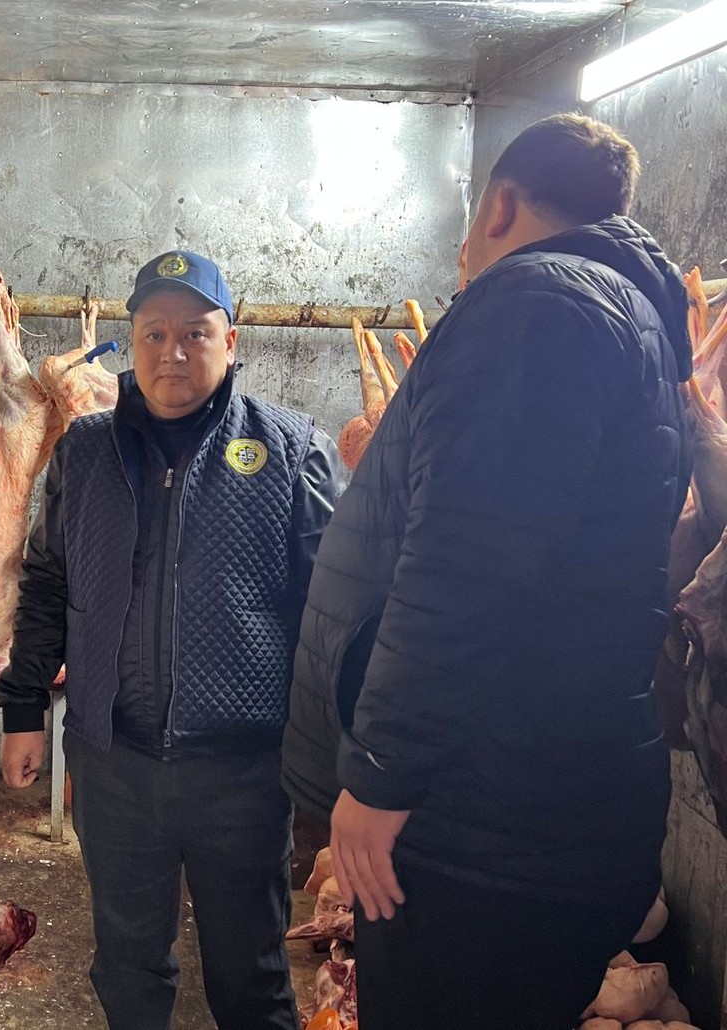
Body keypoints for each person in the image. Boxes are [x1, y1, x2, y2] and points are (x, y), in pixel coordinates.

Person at [282, 113, 692, 1029]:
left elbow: (467, 567)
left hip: (480, 838)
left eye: (467, 231)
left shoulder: (539, 303)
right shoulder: (618, 313)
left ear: (500, 206)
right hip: (522, 816)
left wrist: (380, 776)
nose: (465, 258)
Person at [0, 249, 343, 1030]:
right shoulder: (84, 451)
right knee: (128, 968)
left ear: (231, 339)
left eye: (194, 333)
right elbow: (47, 583)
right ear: (133, 341)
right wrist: (22, 709)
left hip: (243, 774)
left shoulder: (292, 451)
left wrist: (340, 770)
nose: (172, 352)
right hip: (114, 765)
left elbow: (333, 621)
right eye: (154, 333)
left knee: (251, 977)